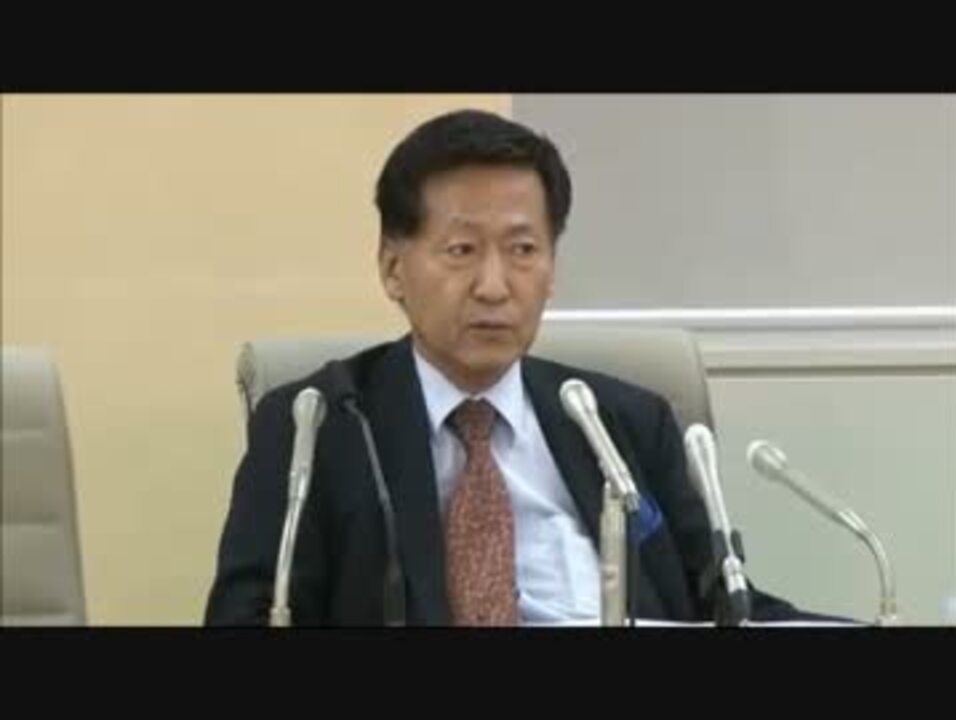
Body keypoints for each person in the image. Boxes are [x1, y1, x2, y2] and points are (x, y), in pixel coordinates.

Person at [205, 108, 811, 626]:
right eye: (462, 251)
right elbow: (247, 614)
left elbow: (726, 603)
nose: (494, 286)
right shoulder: (319, 425)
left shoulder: (625, 423)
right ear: (393, 268)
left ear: (551, 267)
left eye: (523, 250)